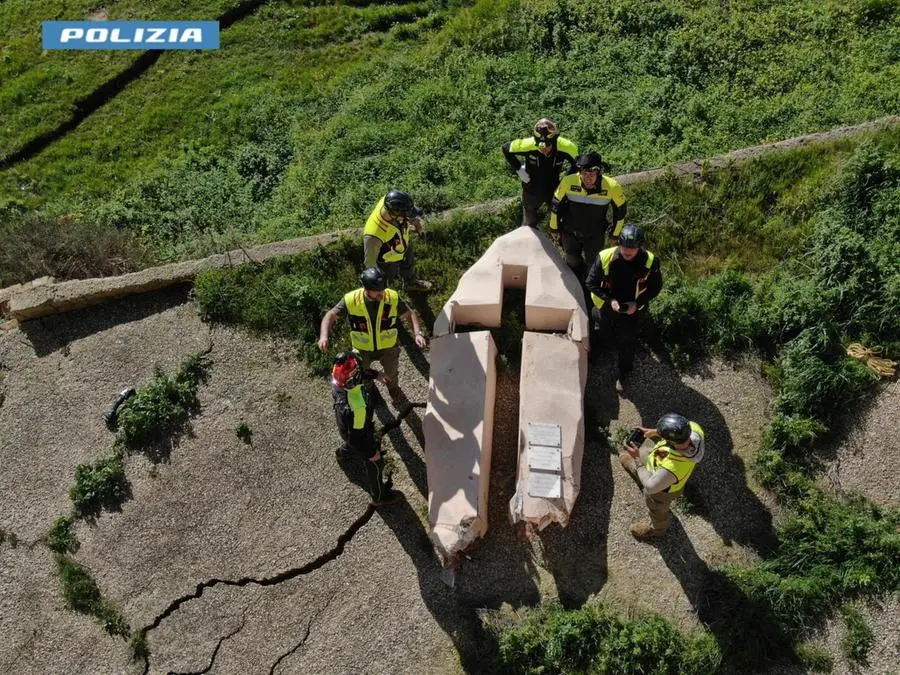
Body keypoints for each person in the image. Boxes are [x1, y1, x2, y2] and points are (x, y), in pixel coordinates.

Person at [318, 267, 427, 404]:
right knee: (363, 374)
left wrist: (417, 333)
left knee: (392, 373)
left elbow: (409, 314)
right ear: (366, 289)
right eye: (378, 290)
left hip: (388, 347)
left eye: (383, 288)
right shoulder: (351, 299)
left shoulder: (391, 297)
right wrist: (324, 336)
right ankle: (369, 390)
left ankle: (393, 389)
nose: (382, 293)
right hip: (362, 348)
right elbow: (331, 314)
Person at [584, 224, 662, 391]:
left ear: (640, 246)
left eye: (632, 248)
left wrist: (637, 304)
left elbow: (655, 287)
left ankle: (624, 372)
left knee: (628, 340)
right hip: (606, 305)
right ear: (619, 243)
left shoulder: (650, 261)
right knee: (602, 329)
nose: (627, 251)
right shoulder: (605, 256)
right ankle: (602, 352)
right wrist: (610, 300)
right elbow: (590, 283)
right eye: (625, 246)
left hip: (632, 308)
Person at [618, 413, 705, 540]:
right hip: (659, 461)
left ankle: (657, 530)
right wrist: (654, 432)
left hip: (662, 492)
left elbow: (650, 487)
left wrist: (637, 459)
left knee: (657, 509)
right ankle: (639, 469)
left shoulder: (674, 466)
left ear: (672, 441)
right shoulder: (693, 429)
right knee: (645, 461)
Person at [331, 352, 401, 507]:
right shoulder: (358, 407)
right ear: (353, 378)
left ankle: (343, 453)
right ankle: (379, 497)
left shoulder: (338, 379)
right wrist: (371, 453)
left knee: (349, 438)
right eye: (357, 370)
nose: (360, 371)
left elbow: (359, 374)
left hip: (345, 426)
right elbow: (357, 436)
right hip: (358, 430)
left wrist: (375, 374)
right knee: (375, 464)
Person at [549, 150, 627, 279]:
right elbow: (555, 205)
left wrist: (615, 234)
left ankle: (590, 287)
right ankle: (576, 280)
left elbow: (621, 211)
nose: (588, 178)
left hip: (595, 235)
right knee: (572, 260)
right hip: (570, 232)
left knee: (594, 264)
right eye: (584, 173)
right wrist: (554, 228)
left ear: (599, 172)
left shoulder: (612, 186)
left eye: (592, 174)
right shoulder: (569, 181)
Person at [502, 117, 578, 228]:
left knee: (561, 220)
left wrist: (566, 180)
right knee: (529, 221)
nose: (544, 149)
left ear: (555, 140)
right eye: (540, 146)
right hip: (531, 187)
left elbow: (577, 164)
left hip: (554, 189)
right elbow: (505, 148)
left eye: (548, 146)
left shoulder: (566, 147)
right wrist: (519, 169)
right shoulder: (528, 144)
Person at [363, 189, 432, 292]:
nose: (407, 217)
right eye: (405, 215)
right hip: (387, 260)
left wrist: (418, 225)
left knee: (409, 263)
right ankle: (384, 297)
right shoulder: (373, 236)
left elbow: (408, 215)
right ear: (394, 214)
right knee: (387, 279)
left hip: (402, 242)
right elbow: (370, 264)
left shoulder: (389, 202)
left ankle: (410, 283)